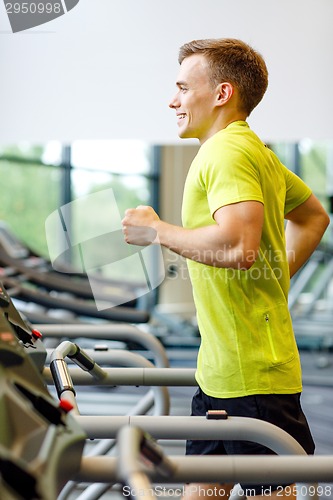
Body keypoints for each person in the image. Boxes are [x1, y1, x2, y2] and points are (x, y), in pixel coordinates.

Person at [121, 38, 330, 498]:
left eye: (182, 87)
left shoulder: (226, 153)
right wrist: (277, 276)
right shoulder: (254, 151)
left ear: (222, 94)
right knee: (204, 489)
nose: (172, 100)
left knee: (270, 494)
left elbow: (237, 246)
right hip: (222, 372)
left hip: (253, 379)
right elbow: (315, 217)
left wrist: (157, 230)